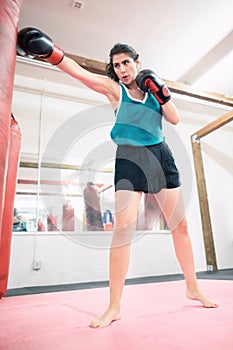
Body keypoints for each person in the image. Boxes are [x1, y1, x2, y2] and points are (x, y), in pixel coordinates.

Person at [16, 28, 218, 328]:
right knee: (123, 230)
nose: (122, 70)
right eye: (117, 65)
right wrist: (51, 53)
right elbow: (81, 73)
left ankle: (193, 287)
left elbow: (174, 118)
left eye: (126, 63)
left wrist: (161, 91)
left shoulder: (153, 91)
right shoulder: (115, 91)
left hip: (161, 156)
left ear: (137, 62)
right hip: (130, 159)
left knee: (181, 226)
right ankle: (114, 306)